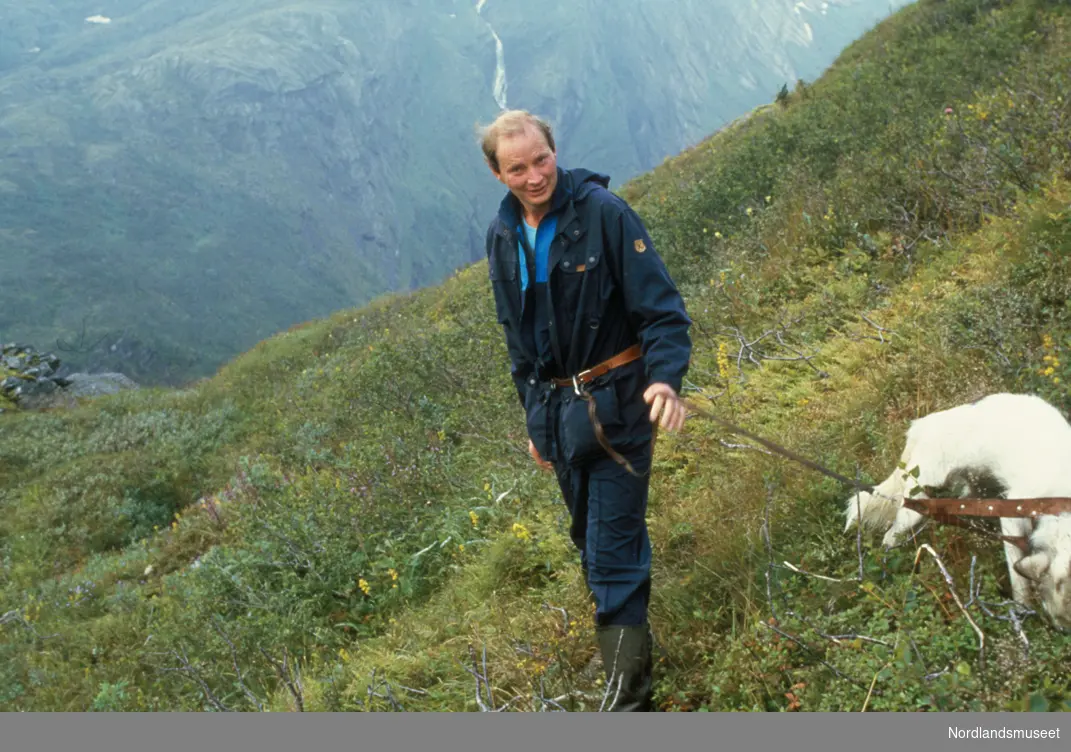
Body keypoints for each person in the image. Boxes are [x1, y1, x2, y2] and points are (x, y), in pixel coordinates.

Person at [478, 110, 692, 711]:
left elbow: (662, 312)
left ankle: (629, 706)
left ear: (555, 151)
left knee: (612, 556)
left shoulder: (604, 214)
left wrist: (665, 381)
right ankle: (626, 653)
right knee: (589, 543)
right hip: (559, 419)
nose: (535, 176)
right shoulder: (502, 236)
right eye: (517, 168)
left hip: (620, 406)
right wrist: (536, 422)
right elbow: (518, 342)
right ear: (498, 174)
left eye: (541, 159)